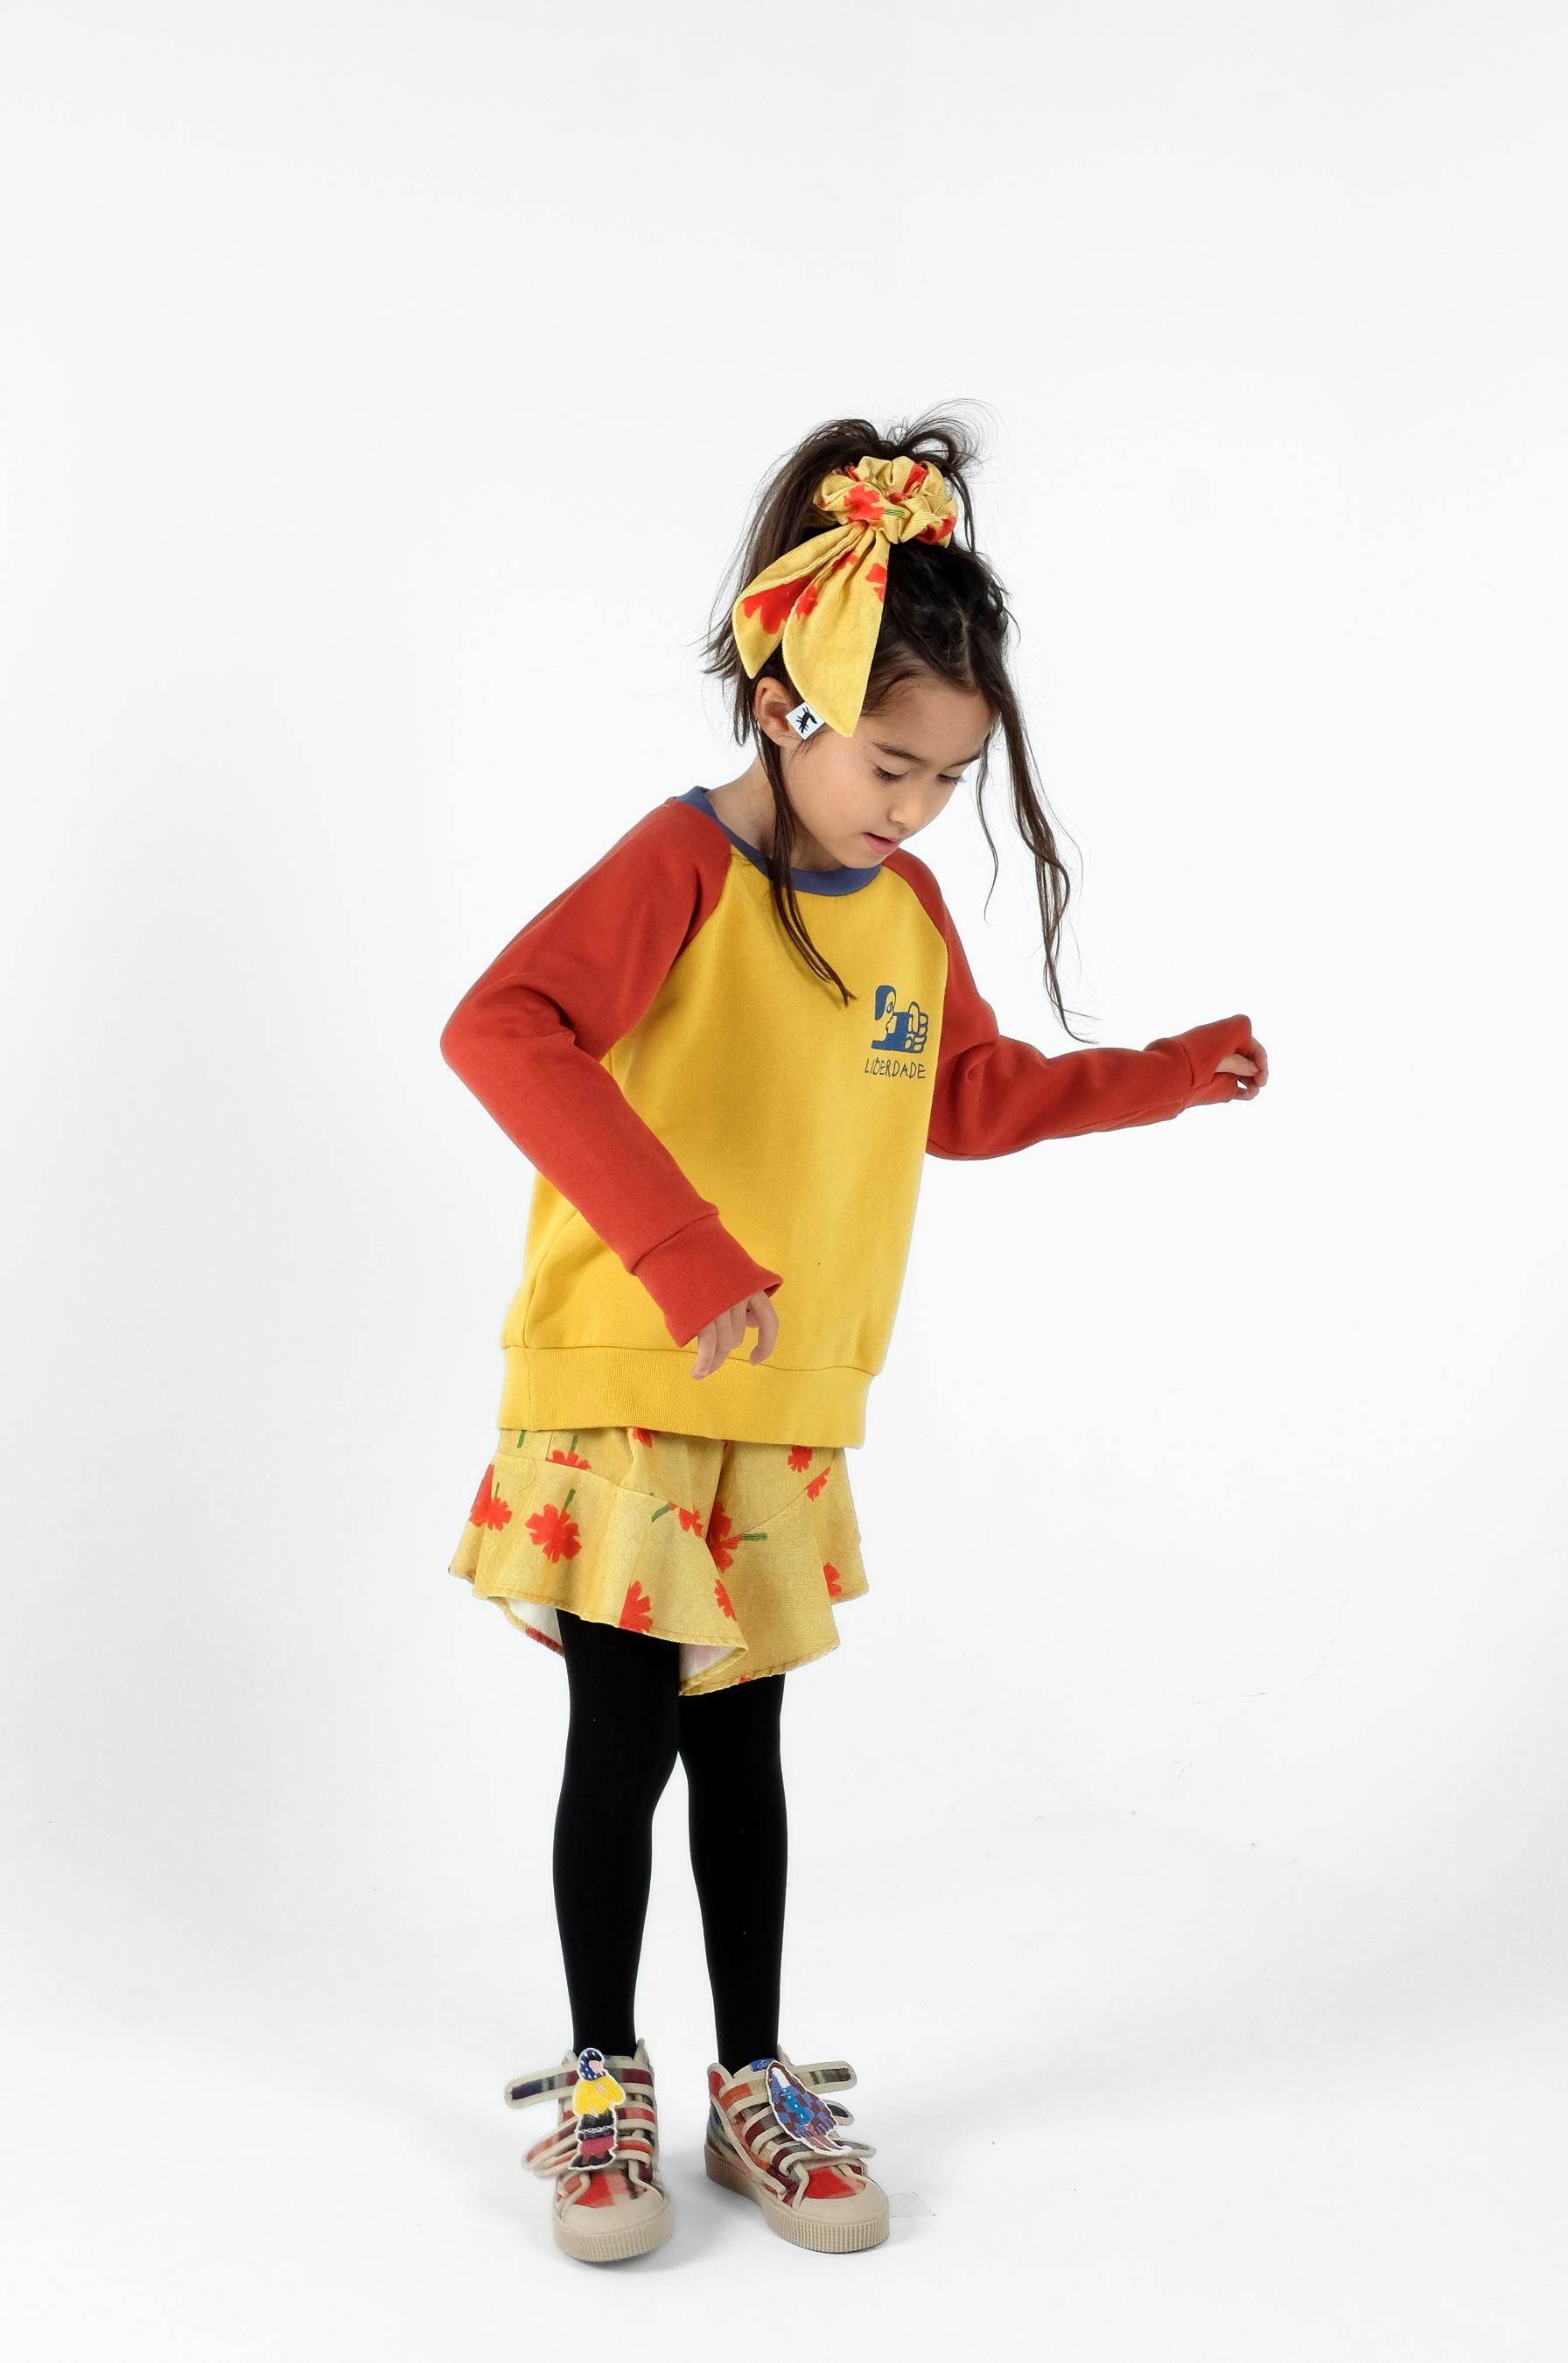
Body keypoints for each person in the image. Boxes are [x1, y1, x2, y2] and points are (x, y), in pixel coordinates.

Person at [440, 414, 1268, 2263]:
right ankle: (601, 2079)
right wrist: (679, 1250)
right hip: (625, 1384)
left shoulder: (899, 905)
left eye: (951, 776)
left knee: (745, 1750)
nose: (916, 806)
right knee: (623, 1741)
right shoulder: (677, 867)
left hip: (785, 1399)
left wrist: (1158, 1075)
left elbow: (961, 1095)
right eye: (892, 763)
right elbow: (501, 1027)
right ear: (785, 704)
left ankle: (754, 2080)